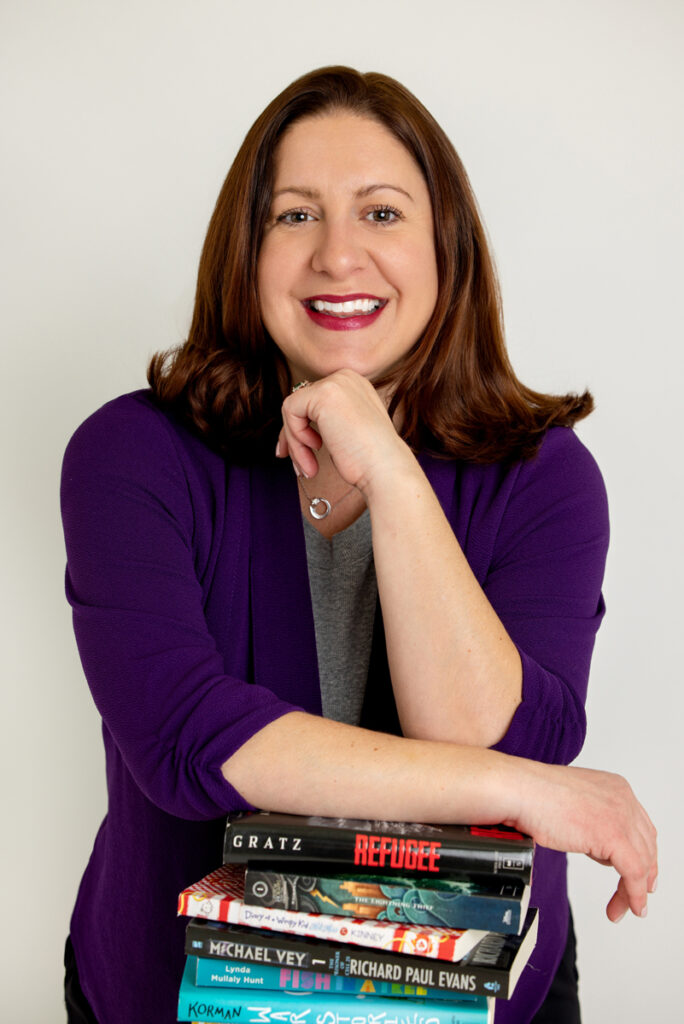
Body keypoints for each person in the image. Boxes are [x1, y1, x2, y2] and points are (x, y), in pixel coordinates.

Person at [60, 66, 656, 1024]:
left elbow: (499, 730)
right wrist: (527, 791)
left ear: (445, 247)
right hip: (188, 996)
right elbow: (186, 742)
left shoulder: (544, 476)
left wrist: (391, 466)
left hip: (486, 989)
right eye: (295, 217)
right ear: (244, 252)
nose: (340, 256)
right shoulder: (131, 455)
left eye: (382, 214)